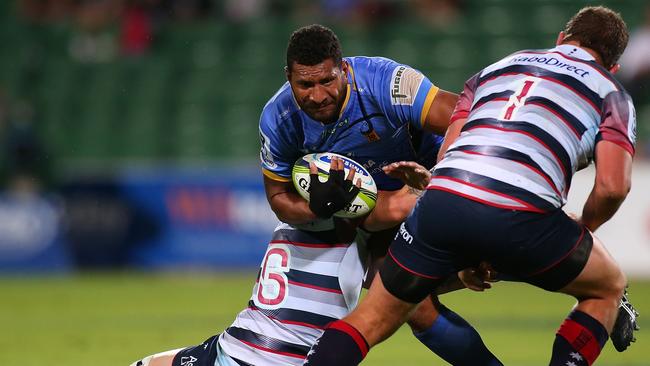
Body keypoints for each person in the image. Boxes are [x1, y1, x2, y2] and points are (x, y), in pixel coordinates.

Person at [130, 24, 502, 366]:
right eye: (305, 85)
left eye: (327, 80)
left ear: (343, 69)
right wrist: (315, 207)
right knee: (413, 305)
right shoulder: (279, 118)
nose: (318, 94)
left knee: (498, 259)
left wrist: (439, 178)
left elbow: (465, 119)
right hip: (371, 209)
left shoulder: (385, 82)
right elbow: (278, 199)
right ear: (288, 78)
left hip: (430, 186)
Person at [303, 6, 641, 366]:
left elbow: (447, 153)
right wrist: (584, 229)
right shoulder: (611, 92)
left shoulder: (496, 68)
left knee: (370, 318)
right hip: (522, 213)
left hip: (442, 201)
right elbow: (611, 188)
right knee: (607, 287)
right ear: (613, 66)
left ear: (560, 39)